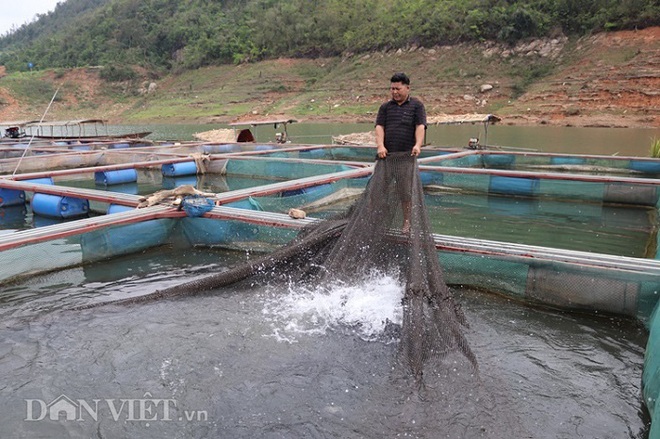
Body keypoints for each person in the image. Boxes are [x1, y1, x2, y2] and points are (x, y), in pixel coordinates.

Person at [375, 72, 427, 233]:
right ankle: (378, 219)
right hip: (386, 157)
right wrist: (380, 146)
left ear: (407, 87)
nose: (395, 92)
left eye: (398, 88)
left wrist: (418, 145)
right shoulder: (385, 107)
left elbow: (420, 126)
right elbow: (379, 127)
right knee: (378, 190)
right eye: (392, 89)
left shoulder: (417, 106)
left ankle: (406, 223)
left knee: (405, 192)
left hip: (406, 157)